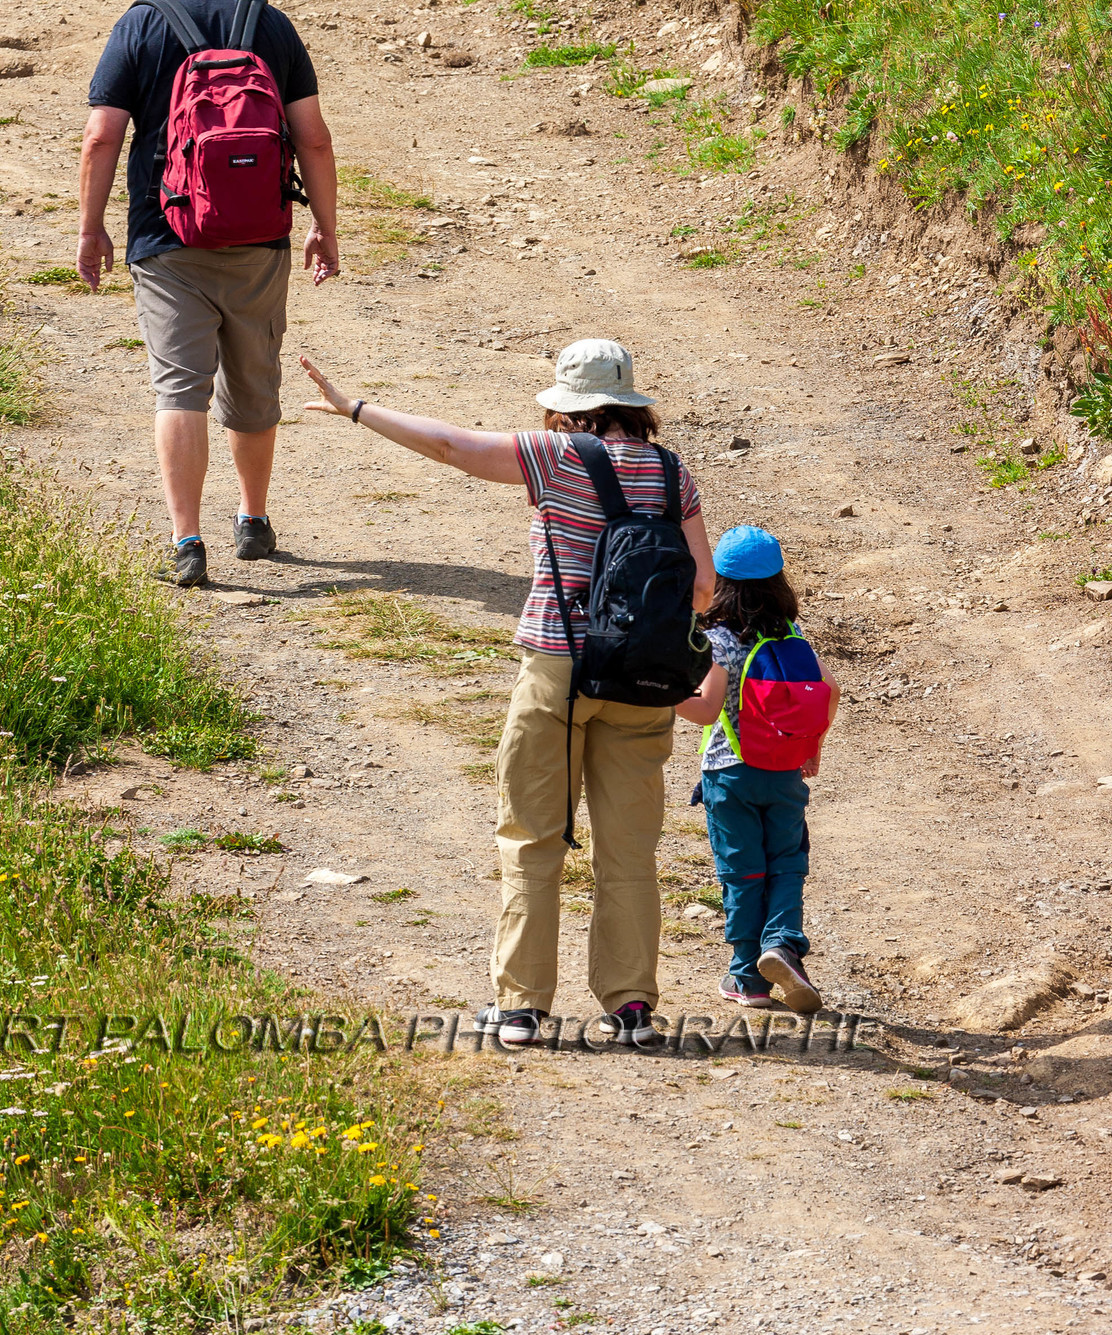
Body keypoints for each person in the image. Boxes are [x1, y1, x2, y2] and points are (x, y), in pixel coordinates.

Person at [301, 337, 715, 1049]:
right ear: (630, 403)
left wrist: (357, 408)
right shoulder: (673, 474)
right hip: (644, 682)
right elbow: (703, 586)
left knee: (531, 834)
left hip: (558, 666)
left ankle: (522, 1006)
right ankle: (633, 1006)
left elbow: (451, 446)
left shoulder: (554, 456)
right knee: (629, 850)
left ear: (569, 405)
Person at [79, 0, 340, 589]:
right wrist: (325, 226)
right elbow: (312, 136)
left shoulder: (140, 24)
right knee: (255, 384)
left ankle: (187, 541)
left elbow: (102, 135)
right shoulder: (269, 24)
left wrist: (91, 226)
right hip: (259, 233)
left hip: (167, 239)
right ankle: (253, 520)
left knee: (180, 390)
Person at [675, 524, 839, 1013]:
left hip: (730, 774)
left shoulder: (719, 639)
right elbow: (829, 690)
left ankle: (748, 976)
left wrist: (660, 694)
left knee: (743, 871)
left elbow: (706, 710)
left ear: (721, 581)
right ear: (778, 580)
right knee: (787, 861)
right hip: (785, 770)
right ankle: (783, 942)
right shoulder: (791, 634)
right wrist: (812, 746)